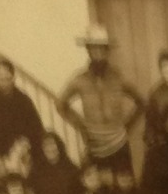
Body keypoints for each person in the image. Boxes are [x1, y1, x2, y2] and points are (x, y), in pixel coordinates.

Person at [59, 24, 142, 174]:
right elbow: (61, 104)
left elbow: (141, 102)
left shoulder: (118, 77)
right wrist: (82, 126)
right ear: (88, 50)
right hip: (95, 146)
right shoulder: (80, 79)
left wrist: (127, 126)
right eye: (93, 48)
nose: (98, 52)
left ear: (107, 51)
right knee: (100, 190)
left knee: (124, 189)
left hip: (119, 144)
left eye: (101, 48)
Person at [0, 57, 44, 173]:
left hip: (21, 151)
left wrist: (24, 147)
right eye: (0, 77)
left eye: (7, 76)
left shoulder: (24, 100)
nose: (4, 80)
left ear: (13, 77)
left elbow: (36, 128)